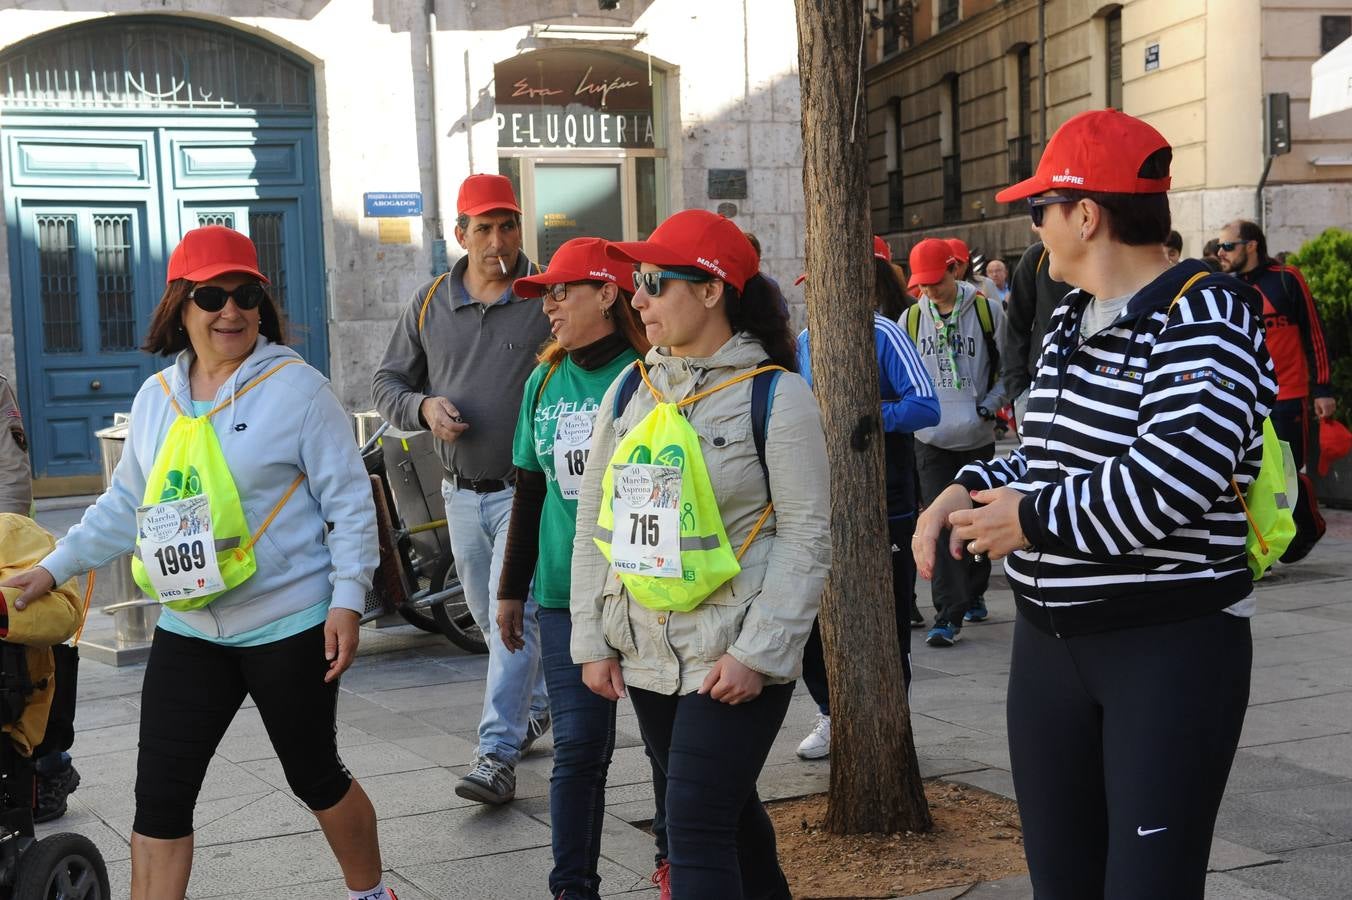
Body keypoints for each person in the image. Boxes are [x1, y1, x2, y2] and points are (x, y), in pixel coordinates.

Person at [915, 109, 1275, 899]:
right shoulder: (1070, 319)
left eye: (1037, 208)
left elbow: (1173, 479)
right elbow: (1048, 458)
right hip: (1050, 650)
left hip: (1167, 646)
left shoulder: (1204, 313)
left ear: (1086, 214)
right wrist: (973, 487)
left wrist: (1031, 521)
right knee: (1063, 883)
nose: (1032, 226)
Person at [1, 226, 394, 900]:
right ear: (180, 307)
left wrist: (347, 599)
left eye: (245, 295)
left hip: (288, 623)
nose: (230, 311)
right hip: (189, 625)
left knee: (315, 776)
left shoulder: (298, 390)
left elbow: (350, 503)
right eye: (211, 296)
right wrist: (53, 567)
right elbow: (125, 504)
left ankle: (370, 894)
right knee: (159, 796)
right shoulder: (158, 398)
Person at [570, 209, 831, 899]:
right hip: (649, 652)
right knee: (731, 820)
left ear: (712, 290)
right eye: (635, 282)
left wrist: (760, 654)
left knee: (690, 827)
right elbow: (596, 521)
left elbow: (808, 539)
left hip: (732, 654)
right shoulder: (631, 389)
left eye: (654, 282)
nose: (637, 298)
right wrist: (592, 637)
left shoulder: (778, 396)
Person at [495, 238, 667, 899]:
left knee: (665, 750)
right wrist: (513, 591)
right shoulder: (544, 378)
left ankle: (671, 862)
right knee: (578, 753)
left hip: (647, 594)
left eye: (562, 291)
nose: (550, 306)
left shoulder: (650, 376)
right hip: (568, 596)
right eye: (546, 294)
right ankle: (572, 886)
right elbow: (531, 489)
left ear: (608, 293)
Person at [372, 174, 552, 805]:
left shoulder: (545, 295)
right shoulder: (427, 303)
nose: (498, 240)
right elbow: (386, 384)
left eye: (508, 225)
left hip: (529, 494)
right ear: (460, 234)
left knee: (511, 618)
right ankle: (539, 706)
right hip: (459, 493)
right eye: (484, 228)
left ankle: (495, 755)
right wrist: (422, 409)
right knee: (490, 618)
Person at [792, 244, 938, 759]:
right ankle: (831, 712)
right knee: (810, 617)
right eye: (809, 286)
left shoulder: (886, 334)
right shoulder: (805, 342)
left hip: (886, 503)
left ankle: (893, 726)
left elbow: (926, 407)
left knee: (891, 620)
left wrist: (867, 415)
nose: (813, 295)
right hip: (818, 502)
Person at [904, 238, 1007, 644]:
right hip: (930, 437)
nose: (929, 291)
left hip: (975, 435)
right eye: (922, 285)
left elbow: (1009, 364)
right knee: (938, 520)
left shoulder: (986, 310)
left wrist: (991, 406)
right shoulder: (911, 318)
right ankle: (948, 614)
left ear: (954, 269)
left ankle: (976, 589)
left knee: (976, 521)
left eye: (935, 281)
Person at [1217, 219, 1336, 563]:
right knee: (1256, 474)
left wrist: (1323, 389)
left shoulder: (1286, 278)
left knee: (1289, 472)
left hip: (1289, 396)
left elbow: (1314, 334)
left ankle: (1308, 527)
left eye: (1228, 246)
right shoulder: (1227, 286)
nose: (1221, 253)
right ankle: (1266, 539)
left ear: (1251, 245)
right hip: (1248, 399)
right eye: (1220, 246)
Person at [0, 373, 82, 823]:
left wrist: (8, 541)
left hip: (7, 545)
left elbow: (11, 477)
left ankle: (49, 768)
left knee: (29, 659)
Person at [1000, 241, 1072, 432]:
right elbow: (1016, 327)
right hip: (1037, 385)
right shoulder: (1037, 256)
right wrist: (1018, 391)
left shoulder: (1109, 253)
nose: (1035, 224)